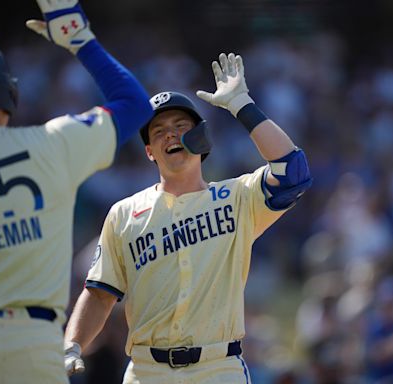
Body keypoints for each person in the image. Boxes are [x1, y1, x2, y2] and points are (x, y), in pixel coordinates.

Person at [0, 0, 153, 382]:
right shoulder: (54, 143)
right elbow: (136, 105)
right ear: (11, 95)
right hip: (36, 345)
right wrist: (78, 38)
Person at [64, 52, 313, 383]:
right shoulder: (124, 214)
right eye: (158, 131)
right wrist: (72, 346)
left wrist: (241, 104)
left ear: (201, 137)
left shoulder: (237, 197)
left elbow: (293, 173)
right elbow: (99, 294)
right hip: (147, 371)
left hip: (218, 367)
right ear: (150, 151)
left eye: (181, 126)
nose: (170, 135)